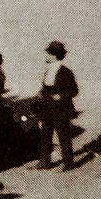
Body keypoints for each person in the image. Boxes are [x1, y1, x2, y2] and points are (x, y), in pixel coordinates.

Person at [37, 40, 78, 171]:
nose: (46, 56)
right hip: (47, 106)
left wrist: (61, 96)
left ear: (54, 55)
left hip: (60, 108)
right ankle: (44, 162)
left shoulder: (65, 72)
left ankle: (68, 163)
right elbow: (46, 86)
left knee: (63, 136)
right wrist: (41, 92)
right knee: (45, 134)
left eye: (48, 53)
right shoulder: (48, 69)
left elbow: (74, 90)